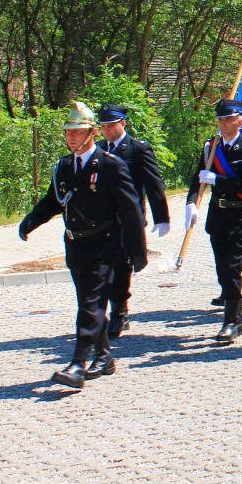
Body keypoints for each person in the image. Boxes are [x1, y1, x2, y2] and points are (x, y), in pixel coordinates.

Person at [19, 102, 147, 389]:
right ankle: (104, 357)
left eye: (77, 132)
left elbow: (131, 210)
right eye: (68, 132)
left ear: (90, 133)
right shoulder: (64, 166)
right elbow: (54, 200)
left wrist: (137, 252)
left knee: (90, 303)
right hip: (76, 246)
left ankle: (77, 364)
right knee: (89, 304)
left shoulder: (111, 165)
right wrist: (31, 221)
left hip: (105, 246)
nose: (71, 137)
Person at [184, 99, 242, 343]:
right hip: (217, 216)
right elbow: (198, 177)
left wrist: (217, 180)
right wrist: (190, 202)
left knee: (232, 269)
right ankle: (237, 319)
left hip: (240, 216)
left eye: (228, 119)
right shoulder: (211, 147)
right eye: (221, 119)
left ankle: (230, 321)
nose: (224, 124)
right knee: (222, 270)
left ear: (239, 121)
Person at [96, 104, 169, 339]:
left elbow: (153, 183)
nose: (106, 130)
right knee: (102, 269)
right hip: (102, 220)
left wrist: (162, 217)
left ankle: (119, 313)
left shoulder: (137, 149)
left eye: (111, 125)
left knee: (121, 267)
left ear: (123, 123)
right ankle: (105, 312)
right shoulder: (97, 150)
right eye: (103, 126)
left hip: (127, 220)